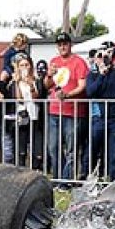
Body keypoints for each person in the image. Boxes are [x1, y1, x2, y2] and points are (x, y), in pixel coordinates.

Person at [43, 32, 90, 181]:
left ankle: (67, 180)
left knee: (72, 148)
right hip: (54, 110)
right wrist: (49, 75)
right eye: (60, 44)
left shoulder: (79, 62)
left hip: (73, 111)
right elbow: (47, 85)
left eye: (65, 44)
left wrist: (68, 96)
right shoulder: (54, 61)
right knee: (53, 147)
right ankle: (58, 178)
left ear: (70, 45)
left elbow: (82, 85)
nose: (62, 47)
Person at [85, 44, 115, 180]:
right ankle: (88, 177)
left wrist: (114, 51)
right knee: (93, 150)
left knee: (114, 153)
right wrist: (101, 74)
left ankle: (113, 180)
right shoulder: (93, 74)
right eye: (100, 56)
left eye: (105, 56)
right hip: (98, 118)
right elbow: (90, 92)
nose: (103, 58)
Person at [5, 52, 43, 166]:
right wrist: (17, 82)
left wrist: (31, 85)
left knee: (37, 150)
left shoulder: (36, 80)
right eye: (22, 65)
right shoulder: (14, 82)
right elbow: (19, 99)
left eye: (27, 65)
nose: (25, 67)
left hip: (35, 116)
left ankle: (36, 170)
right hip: (21, 117)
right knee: (21, 150)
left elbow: (36, 97)